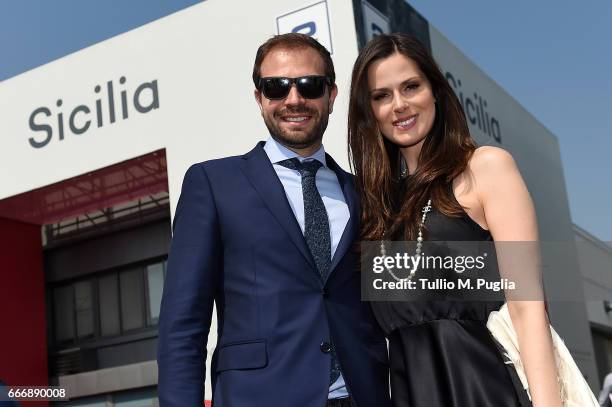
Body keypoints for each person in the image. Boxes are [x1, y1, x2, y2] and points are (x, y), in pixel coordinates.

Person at [157, 33, 391, 407]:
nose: (293, 99)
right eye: (277, 87)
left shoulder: (364, 192)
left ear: (331, 96)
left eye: (310, 85)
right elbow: (183, 324)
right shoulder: (213, 184)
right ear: (259, 98)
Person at [347, 33, 562, 406]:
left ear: (435, 91)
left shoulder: (485, 168)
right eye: (382, 95)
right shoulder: (376, 208)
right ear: (369, 111)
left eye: (411, 86)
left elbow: (528, 309)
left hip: (485, 389)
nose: (398, 105)